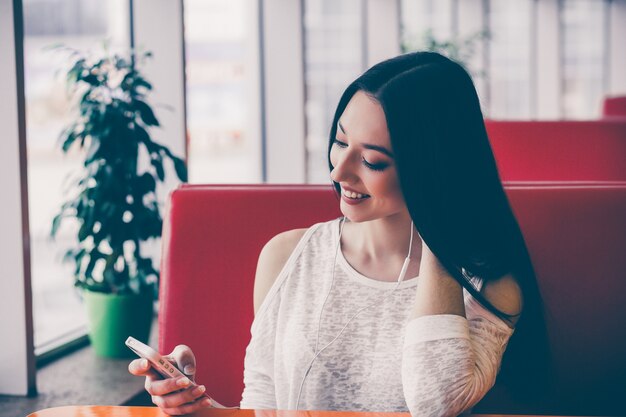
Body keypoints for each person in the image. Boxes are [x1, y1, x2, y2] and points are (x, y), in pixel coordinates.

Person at [129, 51, 549, 416]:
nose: (338, 171)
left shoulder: (487, 285)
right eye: (339, 142)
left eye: (372, 160)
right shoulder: (287, 256)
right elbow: (263, 407)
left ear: (431, 173)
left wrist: (439, 228)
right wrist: (194, 406)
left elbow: (436, 404)